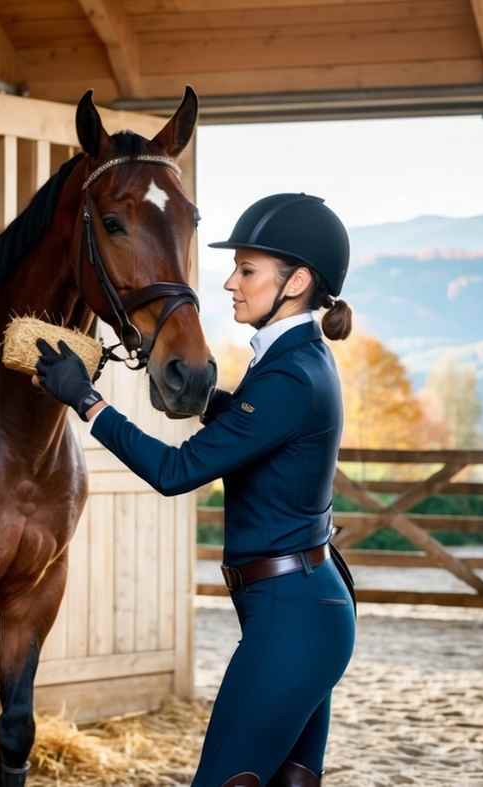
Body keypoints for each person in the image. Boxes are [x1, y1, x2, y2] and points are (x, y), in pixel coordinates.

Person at [36, 193, 358, 787]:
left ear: (299, 282)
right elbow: (257, 428)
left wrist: (86, 401)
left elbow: (176, 472)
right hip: (306, 611)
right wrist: (201, 399)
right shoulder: (298, 358)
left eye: (248, 270)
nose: (231, 283)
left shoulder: (289, 372)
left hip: (293, 621)